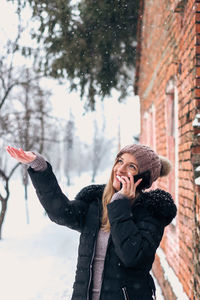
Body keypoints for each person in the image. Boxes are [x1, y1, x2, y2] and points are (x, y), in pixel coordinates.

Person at [6, 144, 177, 300]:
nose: (120, 169)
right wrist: (39, 167)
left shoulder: (151, 211)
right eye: (120, 161)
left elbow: (132, 257)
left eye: (131, 166)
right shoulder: (95, 201)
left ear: (143, 178)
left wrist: (120, 205)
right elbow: (60, 212)